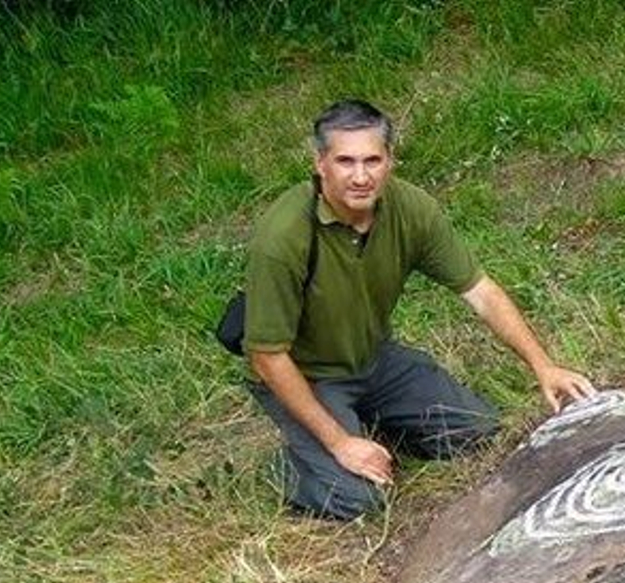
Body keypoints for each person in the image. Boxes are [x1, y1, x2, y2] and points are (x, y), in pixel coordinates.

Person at [243, 99, 594, 519]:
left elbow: (480, 290)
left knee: (477, 432)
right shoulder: (283, 237)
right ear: (320, 164)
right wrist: (338, 443)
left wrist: (543, 365)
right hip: (308, 375)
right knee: (359, 501)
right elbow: (267, 356)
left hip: (376, 361)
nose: (360, 176)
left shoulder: (411, 209)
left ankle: (369, 425)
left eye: (372, 160)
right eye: (345, 161)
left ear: (390, 161)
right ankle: (294, 465)